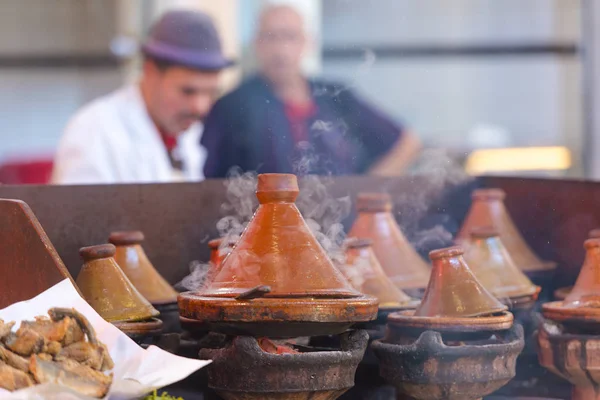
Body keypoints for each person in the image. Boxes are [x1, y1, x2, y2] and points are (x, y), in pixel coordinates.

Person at [201, 5, 421, 178]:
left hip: (340, 226)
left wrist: (365, 192)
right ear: (257, 43)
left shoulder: (337, 97)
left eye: (290, 36)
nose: (281, 49)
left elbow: (406, 143)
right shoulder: (233, 107)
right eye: (271, 37)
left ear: (307, 43)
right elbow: (208, 179)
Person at [52, 10, 233, 184]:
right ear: (150, 72)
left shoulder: (186, 132)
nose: (200, 107)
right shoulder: (93, 131)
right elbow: (77, 214)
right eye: (187, 91)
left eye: (211, 92)